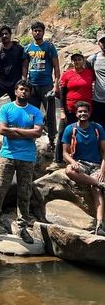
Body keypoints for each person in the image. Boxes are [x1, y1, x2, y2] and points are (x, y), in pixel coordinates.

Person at [0, 80, 43, 243]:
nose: (24, 92)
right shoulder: (6, 108)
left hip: (27, 157)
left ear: (30, 93)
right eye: (21, 89)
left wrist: (15, 131)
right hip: (7, 155)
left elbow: (38, 133)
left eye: (26, 90)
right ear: (15, 91)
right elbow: (2, 130)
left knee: (24, 193)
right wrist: (27, 132)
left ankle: (22, 228)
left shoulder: (34, 111)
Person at [62, 101, 105, 236]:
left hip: (96, 165)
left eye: (85, 111)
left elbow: (104, 152)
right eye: (80, 112)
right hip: (80, 163)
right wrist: (72, 161)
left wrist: (103, 171)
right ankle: (99, 183)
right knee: (69, 170)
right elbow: (64, 153)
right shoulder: (70, 129)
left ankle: (99, 224)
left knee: (96, 190)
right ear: (76, 114)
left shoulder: (97, 128)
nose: (83, 114)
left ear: (89, 113)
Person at [50, 52, 95, 168]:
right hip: (70, 109)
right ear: (72, 62)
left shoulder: (90, 73)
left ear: (83, 61)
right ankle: (58, 160)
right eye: (74, 60)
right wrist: (62, 111)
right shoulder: (67, 75)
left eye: (79, 59)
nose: (77, 62)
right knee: (63, 133)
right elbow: (62, 94)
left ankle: (81, 158)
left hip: (86, 110)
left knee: (84, 134)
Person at [22, 21, 60, 151]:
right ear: (32, 32)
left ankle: (52, 140)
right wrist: (23, 81)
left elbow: (56, 66)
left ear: (43, 32)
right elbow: (25, 66)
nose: (37, 32)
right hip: (32, 85)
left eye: (39, 30)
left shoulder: (49, 47)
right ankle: (30, 139)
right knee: (31, 113)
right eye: (35, 30)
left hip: (47, 85)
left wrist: (56, 85)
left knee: (50, 113)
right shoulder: (27, 48)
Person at [87, 30, 105, 127]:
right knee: (98, 127)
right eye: (102, 42)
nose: (104, 44)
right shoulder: (93, 59)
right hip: (98, 101)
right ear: (98, 43)